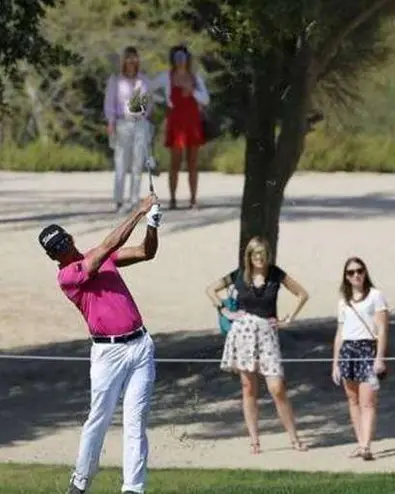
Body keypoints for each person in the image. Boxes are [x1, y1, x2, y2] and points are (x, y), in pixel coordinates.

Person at [39, 195, 163, 494]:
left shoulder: (101, 255)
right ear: (52, 256)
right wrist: (138, 210)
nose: (62, 249)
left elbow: (147, 252)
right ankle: (80, 483)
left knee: (136, 422)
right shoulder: (67, 276)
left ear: (70, 238)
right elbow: (108, 247)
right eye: (56, 249)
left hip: (140, 346)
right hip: (108, 353)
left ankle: (133, 488)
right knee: (99, 419)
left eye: (62, 242)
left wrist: (152, 223)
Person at [204, 236, 310, 454]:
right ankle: (255, 441)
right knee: (248, 388)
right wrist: (223, 310)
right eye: (255, 254)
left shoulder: (275, 274)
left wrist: (288, 319)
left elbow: (302, 294)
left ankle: (294, 438)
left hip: (267, 333)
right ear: (249, 257)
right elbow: (211, 290)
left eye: (262, 254)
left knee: (277, 388)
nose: (259, 258)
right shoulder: (238, 276)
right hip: (243, 332)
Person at [331, 256, 389, 461]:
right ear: (346, 277)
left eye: (359, 271)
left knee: (368, 401)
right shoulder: (343, 302)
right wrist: (335, 363)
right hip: (348, 350)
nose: (356, 275)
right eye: (351, 272)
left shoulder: (376, 296)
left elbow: (382, 329)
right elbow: (340, 333)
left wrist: (379, 358)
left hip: (367, 349)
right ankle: (360, 442)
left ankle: (366, 445)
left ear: (365, 272)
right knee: (353, 400)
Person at [103, 46, 163, 213]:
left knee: (138, 163)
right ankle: (118, 199)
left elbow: (149, 100)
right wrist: (111, 122)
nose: (131, 62)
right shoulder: (116, 80)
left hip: (141, 123)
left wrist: (148, 114)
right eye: (128, 58)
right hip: (123, 123)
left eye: (134, 58)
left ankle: (134, 199)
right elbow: (109, 103)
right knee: (121, 163)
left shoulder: (143, 80)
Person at [156, 45, 209, 210]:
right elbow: (150, 88)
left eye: (183, 56)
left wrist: (192, 91)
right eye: (177, 56)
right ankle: (172, 199)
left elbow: (205, 99)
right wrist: (163, 101)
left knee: (193, 163)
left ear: (187, 59)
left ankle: (193, 199)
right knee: (175, 163)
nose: (180, 60)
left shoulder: (195, 78)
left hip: (192, 123)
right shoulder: (167, 77)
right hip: (176, 122)